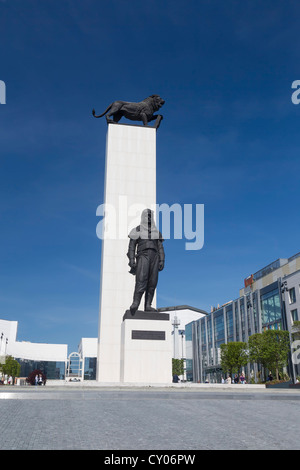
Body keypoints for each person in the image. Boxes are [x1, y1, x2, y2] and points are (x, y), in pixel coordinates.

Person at [127, 209, 165, 314]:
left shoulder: (156, 232)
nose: (148, 218)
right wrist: (131, 259)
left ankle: (148, 305)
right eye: (146, 216)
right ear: (142, 217)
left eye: (150, 216)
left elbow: (160, 247)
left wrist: (162, 259)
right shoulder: (137, 230)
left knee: (152, 282)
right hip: (143, 256)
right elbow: (131, 246)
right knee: (141, 280)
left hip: (155, 257)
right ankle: (135, 302)